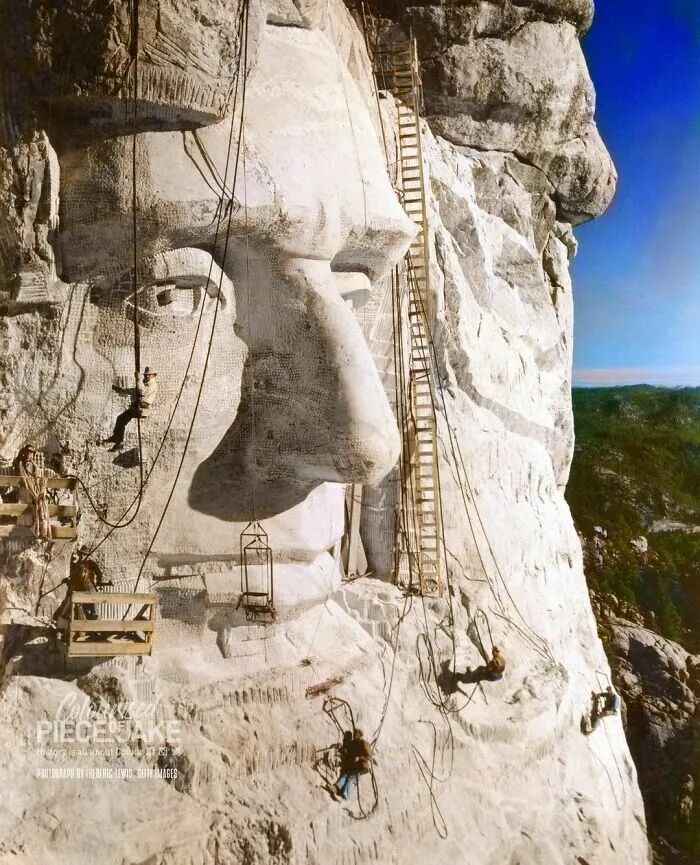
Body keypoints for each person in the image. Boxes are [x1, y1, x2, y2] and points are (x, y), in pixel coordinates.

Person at [104, 368, 158, 451]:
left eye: (149, 375)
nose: (147, 376)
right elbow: (135, 391)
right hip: (137, 407)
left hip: (142, 409)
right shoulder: (145, 383)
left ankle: (118, 441)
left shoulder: (152, 385)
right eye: (146, 374)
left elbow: (142, 392)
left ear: (153, 375)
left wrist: (139, 380)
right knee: (121, 419)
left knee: (121, 419)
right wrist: (121, 390)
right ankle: (117, 439)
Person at [13, 443, 54, 539]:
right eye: (27, 452)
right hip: (23, 488)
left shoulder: (34, 465)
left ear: (33, 454)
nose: (29, 454)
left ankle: (37, 528)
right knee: (24, 507)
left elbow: (37, 476)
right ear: (24, 453)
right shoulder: (20, 463)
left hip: (33, 489)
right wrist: (20, 457)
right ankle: (24, 528)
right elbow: (18, 471)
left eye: (31, 452)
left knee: (37, 506)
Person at [333, 728, 372, 801]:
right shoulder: (352, 743)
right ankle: (336, 788)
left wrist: (359, 758)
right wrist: (341, 750)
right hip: (353, 765)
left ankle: (344, 796)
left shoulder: (364, 743)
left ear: (360, 735)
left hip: (361, 766)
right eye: (354, 733)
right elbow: (348, 754)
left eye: (356, 733)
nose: (354, 734)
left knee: (351, 779)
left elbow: (369, 756)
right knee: (345, 775)